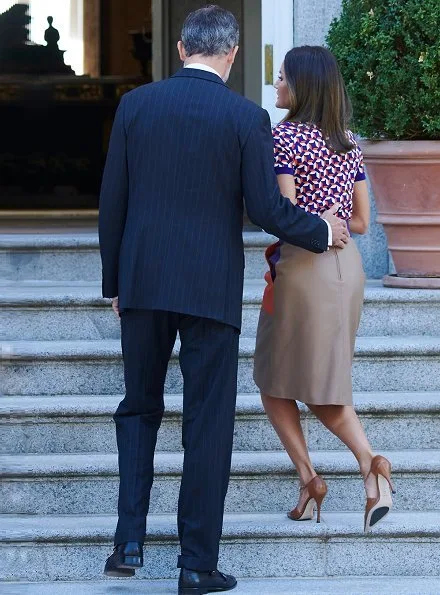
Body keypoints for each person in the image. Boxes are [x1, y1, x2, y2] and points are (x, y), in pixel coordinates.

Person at [99, 6, 348, 593]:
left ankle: (128, 541)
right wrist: (319, 229)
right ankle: (195, 565)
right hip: (210, 286)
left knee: (138, 409)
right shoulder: (245, 115)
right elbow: (266, 210)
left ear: (182, 48)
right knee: (207, 424)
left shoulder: (137, 105)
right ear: (232, 55)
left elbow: (114, 203)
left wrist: (115, 283)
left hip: (145, 281)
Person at [253, 46, 395, 534]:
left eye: (282, 77)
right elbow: (359, 221)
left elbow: (288, 214)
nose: (277, 83)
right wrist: (332, 221)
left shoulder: (285, 138)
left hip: (304, 267)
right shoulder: (348, 143)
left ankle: (365, 463)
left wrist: (317, 222)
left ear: (302, 85)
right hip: (347, 269)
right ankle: (312, 481)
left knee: (278, 381)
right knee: (316, 376)